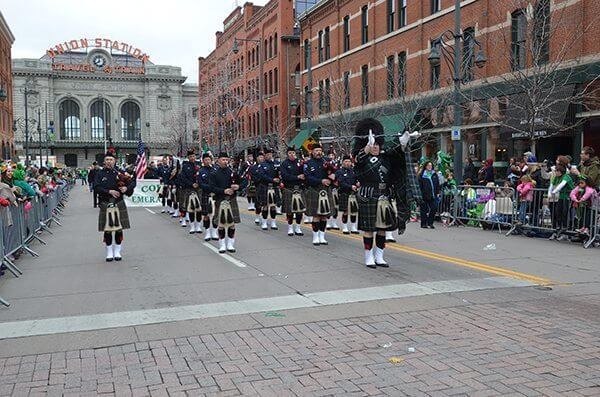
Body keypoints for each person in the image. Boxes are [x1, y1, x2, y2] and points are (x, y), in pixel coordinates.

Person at [353, 119, 416, 268]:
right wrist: (367, 147)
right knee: (369, 229)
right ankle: (368, 257)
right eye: (372, 145)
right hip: (368, 195)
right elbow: (358, 160)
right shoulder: (362, 159)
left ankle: (379, 256)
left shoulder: (387, 158)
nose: (375, 147)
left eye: (377, 144)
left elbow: (400, 159)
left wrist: (403, 144)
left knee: (383, 229)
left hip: (384, 195)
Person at [94, 151, 136, 262]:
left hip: (118, 202)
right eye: (107, 160)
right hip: (105, 202)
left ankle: (117, 251)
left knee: (118, 229)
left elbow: (133, 182)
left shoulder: (120, 172)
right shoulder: (100, 174)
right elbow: (96, 187)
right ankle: (109, 252)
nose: (109, 162)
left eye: (111, 160)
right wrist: (109, 191)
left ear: (115, 161)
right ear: (104, 161)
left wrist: (127, 188)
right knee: (107, 230)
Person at [208, 152, 245, 253]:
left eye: (226, 159)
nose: (225, 161)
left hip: (231, 199)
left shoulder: (232, 172)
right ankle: (222, 244)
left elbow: (244, 181)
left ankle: (230, 244)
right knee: (221, 224)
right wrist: (223, 191)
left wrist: (238, 187)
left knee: (231, 223)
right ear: (218, 160)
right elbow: (211, 187)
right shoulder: (214, 173)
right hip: (220, 199)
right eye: (223, 160)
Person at [304, 143, 335, 246]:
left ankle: (322, 236)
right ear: (312, 152)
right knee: (316, 215)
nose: (318, 152)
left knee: (324, 216)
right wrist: (321, 181)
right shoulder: (308, 163)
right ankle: (315, 236)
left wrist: (333, 176)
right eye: (316, 151)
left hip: (326, 190)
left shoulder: (326, 162)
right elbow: (307, 177)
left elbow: (334, 173)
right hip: (314, 190)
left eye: (319, 150)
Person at [280, 146, 306, 236]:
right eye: (290, 153)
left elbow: (305, 173)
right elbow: (285, 176)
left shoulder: (300, 163)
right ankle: (290, 228)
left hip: (299, 188)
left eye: (293, 153)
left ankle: (298, 228)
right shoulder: (284, 164)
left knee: (299, 210)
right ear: (287, 154)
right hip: (289, 188)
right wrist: (297, 177)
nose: (292, 155)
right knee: (289, 210)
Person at [177, 150, 202, 232]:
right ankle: (184, 220)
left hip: (198, 188)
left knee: (198, 207)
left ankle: (198, 226)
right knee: (185, 205)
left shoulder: (199, 165)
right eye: (191, 156)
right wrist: (191, 184)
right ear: (188, 157)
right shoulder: (185, 166)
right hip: (188, 188)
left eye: (194, 156)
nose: (192, 158)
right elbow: (183, 178)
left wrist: (199, 183)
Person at [255, 148, 280, 230]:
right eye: (268, 154)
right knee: (265, 205)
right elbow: (262, 175)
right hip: (265, 186)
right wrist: (272, 179)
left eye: (271, 154)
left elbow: (279, 173)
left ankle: (273, 222)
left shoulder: (276, 164)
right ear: (265, 155)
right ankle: (264, 222)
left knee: (273, 206)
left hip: (274, 187)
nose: (270, 156)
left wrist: (279, 178)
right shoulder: (262, 165)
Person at [548, 165, 574, 240]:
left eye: (557, 171)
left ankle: (565, 233)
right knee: (557, 213)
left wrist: (554, 192)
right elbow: (551, 185)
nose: (555, 172)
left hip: (568, 198)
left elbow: (561, 185)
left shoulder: (566, 176)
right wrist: (550, 193)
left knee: (565, 213)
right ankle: (557, 231)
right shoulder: (556, 177)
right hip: (561, 197)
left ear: (561, 172)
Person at [335, 155, 359, 235]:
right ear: (342, 162)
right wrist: (350, 186)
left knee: (354, 211)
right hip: (344, 193)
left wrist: (357, 183)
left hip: (353, 194)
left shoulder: (353, 171)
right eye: (346, 161)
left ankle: (353, 227)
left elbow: (356, 180)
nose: (348, 163)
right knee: (345, 211)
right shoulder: (339, 172)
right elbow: (341, 183)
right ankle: (345, 227)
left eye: (349, 161)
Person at [198, 153, 218, 242]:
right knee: (206, 215)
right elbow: (201, 183)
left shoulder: (216, 169)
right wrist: (210, 188)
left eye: (208, 159)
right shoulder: (201, 171)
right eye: (205, 160)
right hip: (206, 194)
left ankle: (214, 232)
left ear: (211, 160)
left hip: (215, 195)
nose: (207, 161)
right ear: (203, 161)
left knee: (215, 215)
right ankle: (207, 232)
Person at [418, 161, 441, 229]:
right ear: (425, 166)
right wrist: (420, 195)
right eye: (428, 165)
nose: (430, 167)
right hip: (424, 195)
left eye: (431, 165)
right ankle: (424, 224)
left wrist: (437, 192)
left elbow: (437, 184)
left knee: (434, 208)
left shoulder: (434, 174)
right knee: (424, 210)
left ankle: (430, 223)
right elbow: (419, 186)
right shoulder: (421, 175)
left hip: (433, 195)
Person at [250, 152, 264, 225]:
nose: (261, 158)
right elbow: (253, 177)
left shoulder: (265, 165)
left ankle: (264, 217)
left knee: (265, 203)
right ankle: (257, 216)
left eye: (262, 157)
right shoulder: (254, 167)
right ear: (257, 158)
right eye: (260, 157)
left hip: (265, 186)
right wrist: (259, 180)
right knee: (258, 203)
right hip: (258, 186)